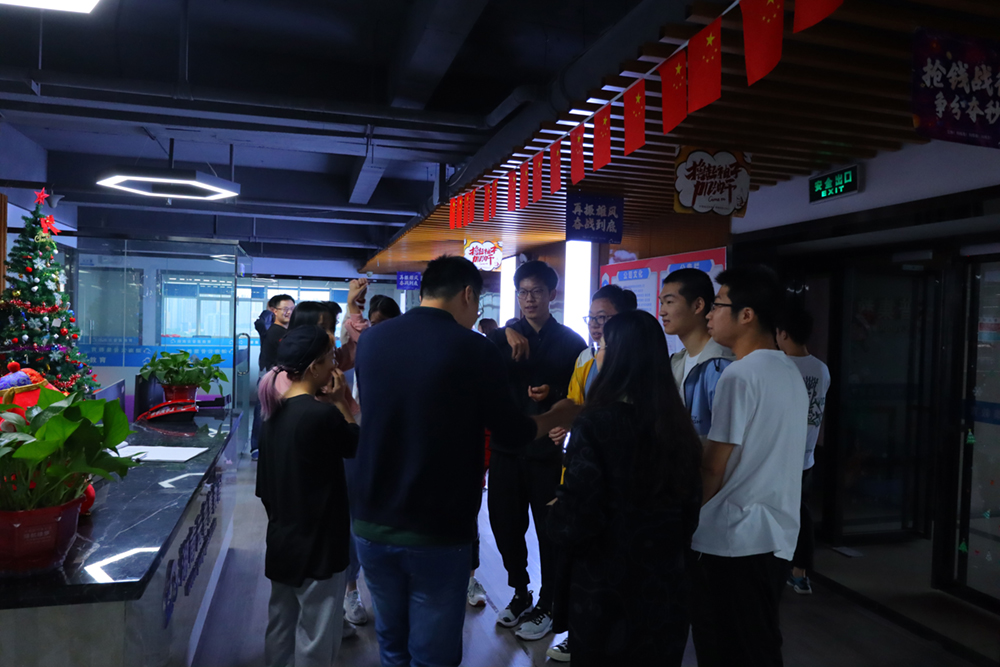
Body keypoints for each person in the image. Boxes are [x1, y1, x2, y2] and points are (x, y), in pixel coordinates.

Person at [351, 256, 577, 667]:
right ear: (468, 294)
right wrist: (558, 414)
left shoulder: (372, 341)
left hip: (371, 521)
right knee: (433, 655)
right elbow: (511, 431)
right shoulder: (472, 347)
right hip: (437, 526)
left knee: (392, 645)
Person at [547, 310, 702, 667]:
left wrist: (558, 511)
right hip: (666, 585)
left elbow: (580, 517)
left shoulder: (596, 423)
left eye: (602, 346)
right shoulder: (677, 423)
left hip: (604, 588)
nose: (597, 353)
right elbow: (691, 507)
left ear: (619, 357)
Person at [689, 265, 809, 667]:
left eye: (718, 305)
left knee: (723, 647)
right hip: (775, 535)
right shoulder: (790, 372)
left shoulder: (739, 375)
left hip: (732, 537)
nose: (709, 315)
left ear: (746, 315)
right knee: (758, 643)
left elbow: (713, 467)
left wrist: (686, 518)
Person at [486, 260, 587, 642]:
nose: (529, 299)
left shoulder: (572, 342)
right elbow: (480, 363)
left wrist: (554, 395)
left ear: (552, 295)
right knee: (505, 524)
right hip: (506, 447)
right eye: (523, 293)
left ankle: (549, 601)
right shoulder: (501, 339)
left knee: (550, 531)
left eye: (537, 292)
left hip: (547, 453)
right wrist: (505, 332)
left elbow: (579, 397)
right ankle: (520, 591)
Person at [541, 282, 635, 664]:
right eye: (592, 318)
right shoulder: (585, 357)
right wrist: (560, 423)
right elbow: (575, 403)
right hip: (581, 473)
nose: (596, 325)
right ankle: (576, 635)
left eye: (604, 318)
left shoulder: (633, 365)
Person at [256, 325, 359, 667]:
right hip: (321, 546)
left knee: (281, 626)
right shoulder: (322, 415)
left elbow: (264, 489)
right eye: (330, 359)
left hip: (283, 540)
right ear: (314, 367)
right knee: (317, 635)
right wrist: (340, 402)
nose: (335, 366)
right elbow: (354, 443)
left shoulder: (272, 413)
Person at [776, 301, 830, 596]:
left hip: (781, 456)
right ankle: (800, 572)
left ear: (783, 333)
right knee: (800, 511)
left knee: (785, 513)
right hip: (806, 456)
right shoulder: (821, 369)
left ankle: (791, 572)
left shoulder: (781, 367)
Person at [659, 269, 734, 440]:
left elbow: (726, 439)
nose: (662, 311)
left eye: (669, 302)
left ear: (698, 305)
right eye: (661, 303)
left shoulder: (719, 364)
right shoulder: (676, 361)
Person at [251, 293, 294, 460]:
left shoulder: (286, 330)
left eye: (292, 309)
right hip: (270, 377)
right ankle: (257, 447)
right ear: (274, 311)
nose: (289, 312)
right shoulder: (273, 331)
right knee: (262, 412)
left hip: (280, 376)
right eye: (285, 309)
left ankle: (265, 446)